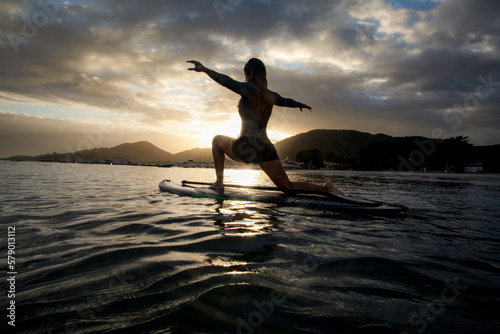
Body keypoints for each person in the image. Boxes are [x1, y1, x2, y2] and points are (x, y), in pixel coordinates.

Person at [187, 58, 344, 195]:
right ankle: (325, 188)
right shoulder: (271, 95)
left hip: (247, 147)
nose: (245, 76)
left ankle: (219, 183)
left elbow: (227, 82)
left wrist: (205, 69)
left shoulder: (249, 90)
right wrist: (299, 104)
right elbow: (285, 100)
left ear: (251, 72)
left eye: (245, 72)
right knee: (287, 186)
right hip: (265, 147)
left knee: (216, 140)